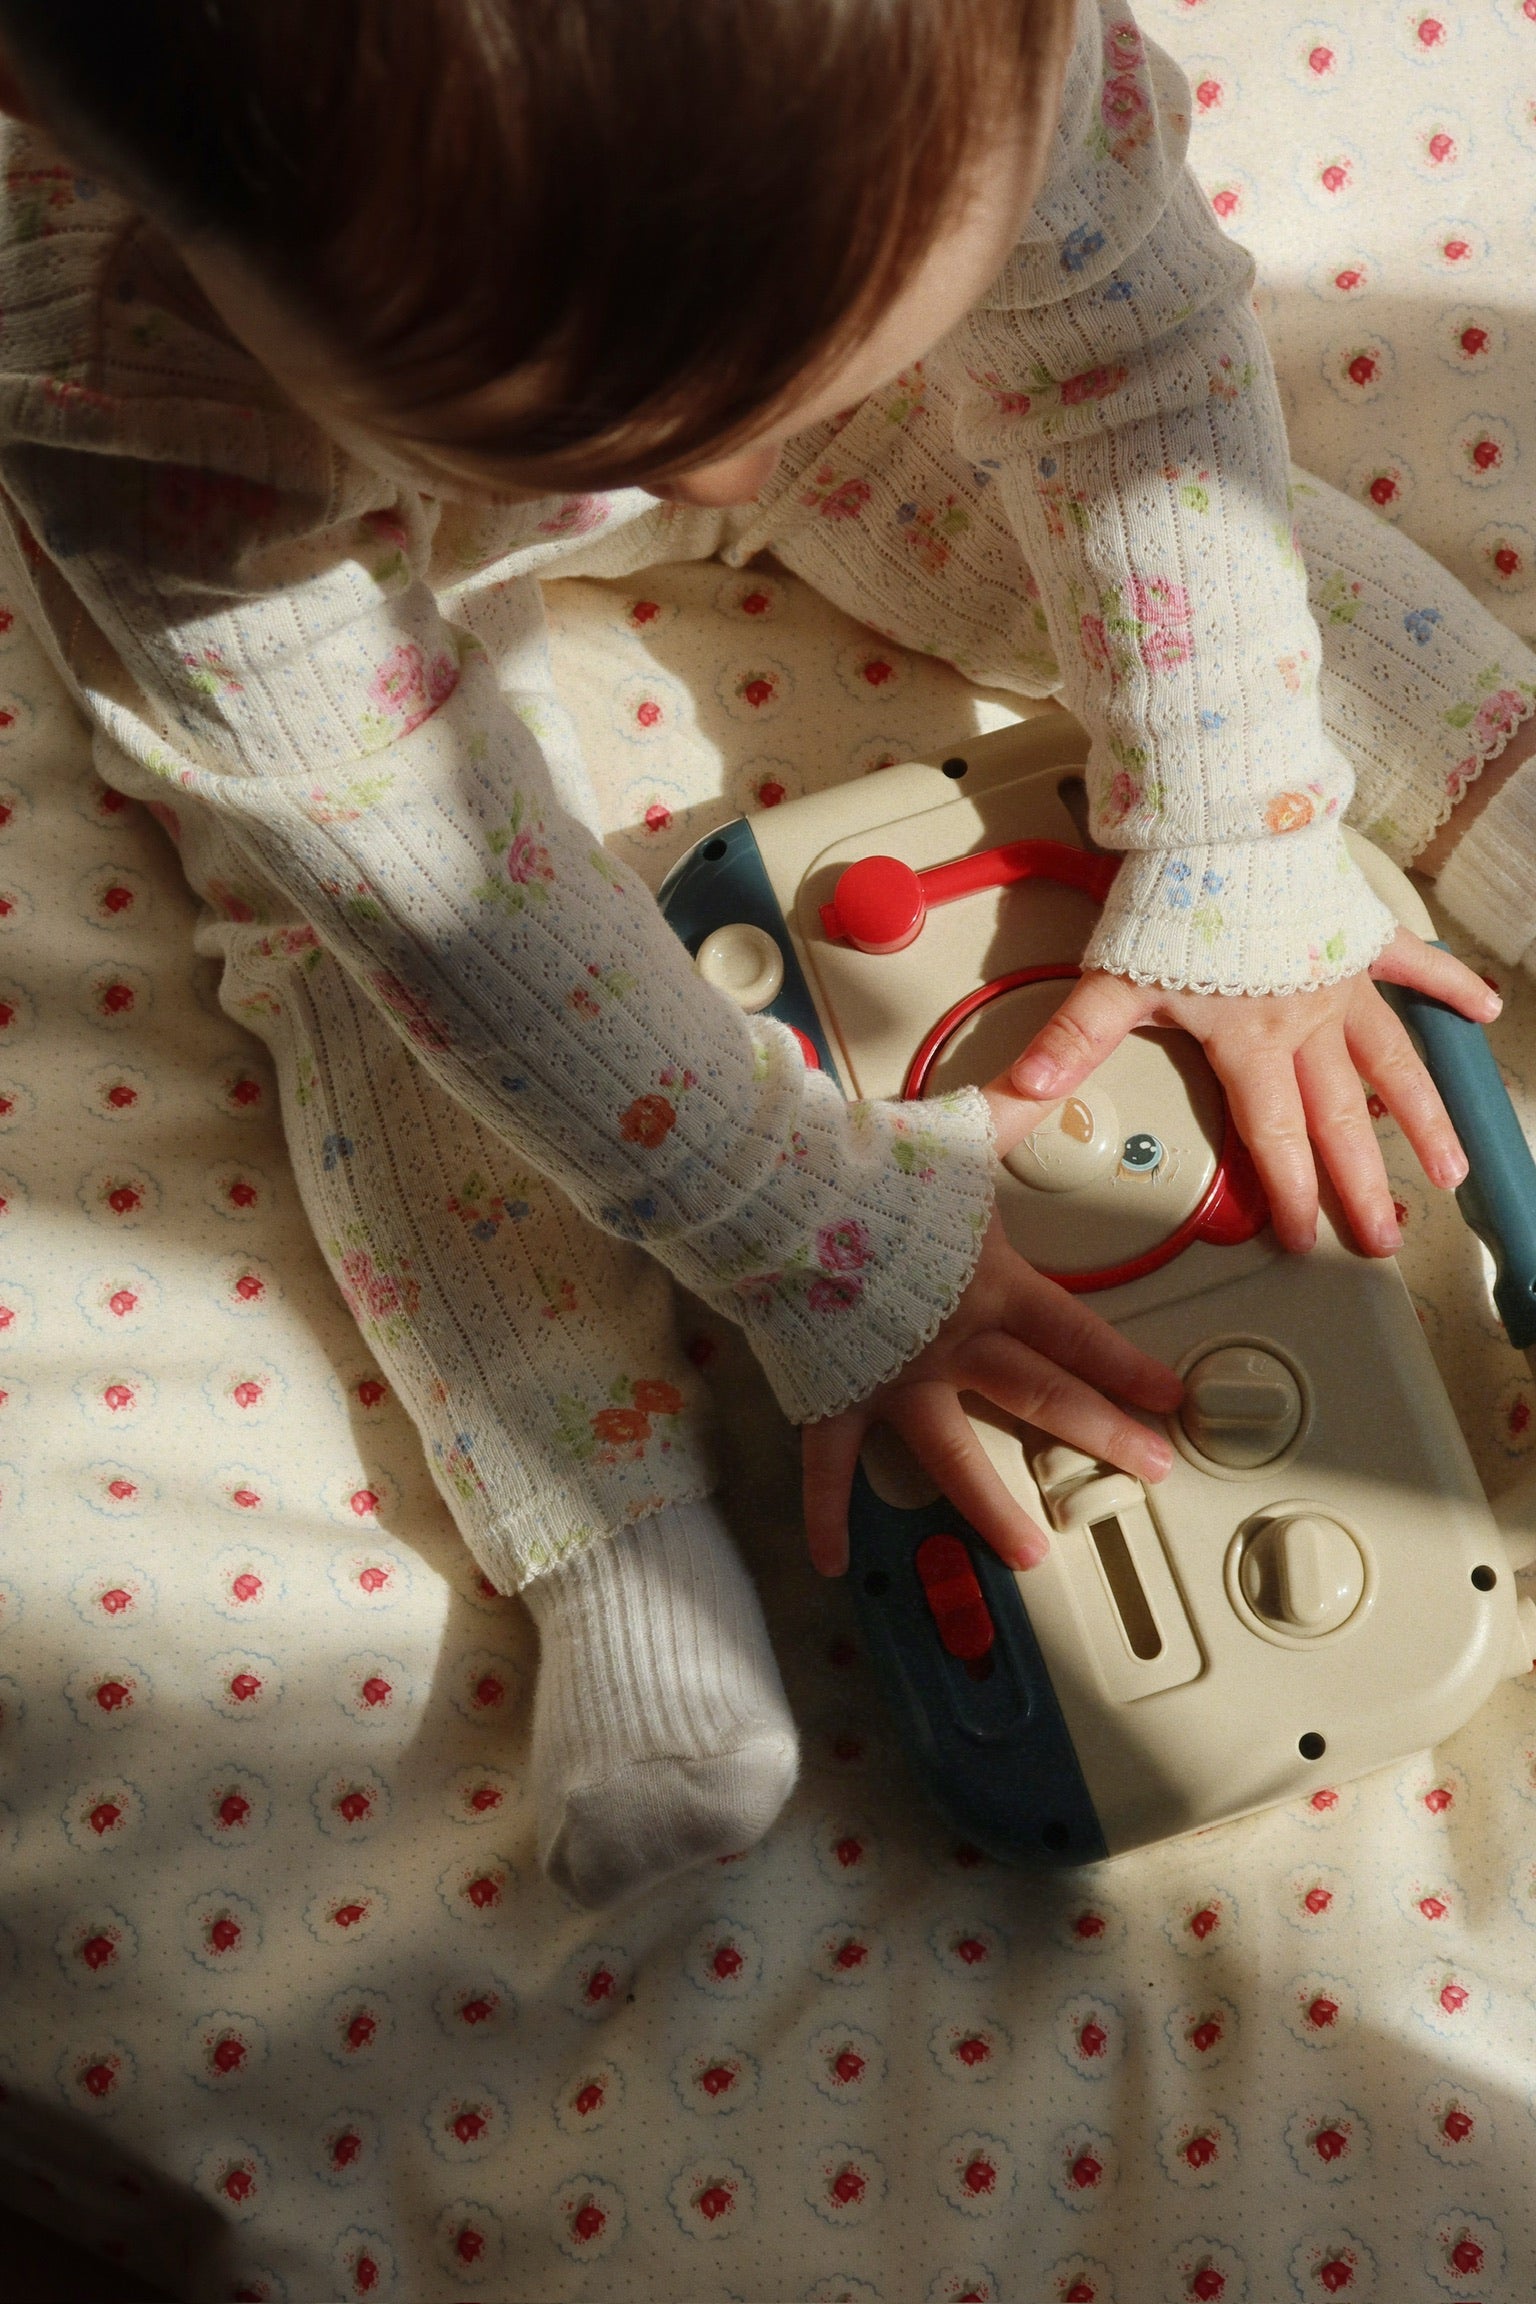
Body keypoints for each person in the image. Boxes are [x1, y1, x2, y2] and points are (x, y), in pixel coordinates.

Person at [0, 0, 1515, 1905]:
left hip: (867, 383)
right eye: (623, 427)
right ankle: (612, 1523)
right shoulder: (127, 390)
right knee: (360, 971)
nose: (709, 482)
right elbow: (431, 886)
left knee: (1223, 562)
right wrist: (805, 1238)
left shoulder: (974, 64)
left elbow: (1129, 375)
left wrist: (1239, 831)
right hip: (315, 559)